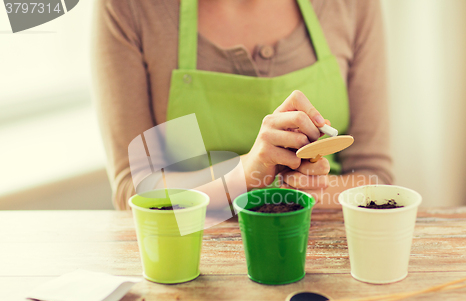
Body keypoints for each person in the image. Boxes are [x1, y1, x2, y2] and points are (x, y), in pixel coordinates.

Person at [92, 0, 393, 210]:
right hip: (193, 254)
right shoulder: (128, 7)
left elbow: (374, 177)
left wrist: (293, 191)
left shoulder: (353, 4)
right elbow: (135, 193)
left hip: (329, 246)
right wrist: (245, 176)